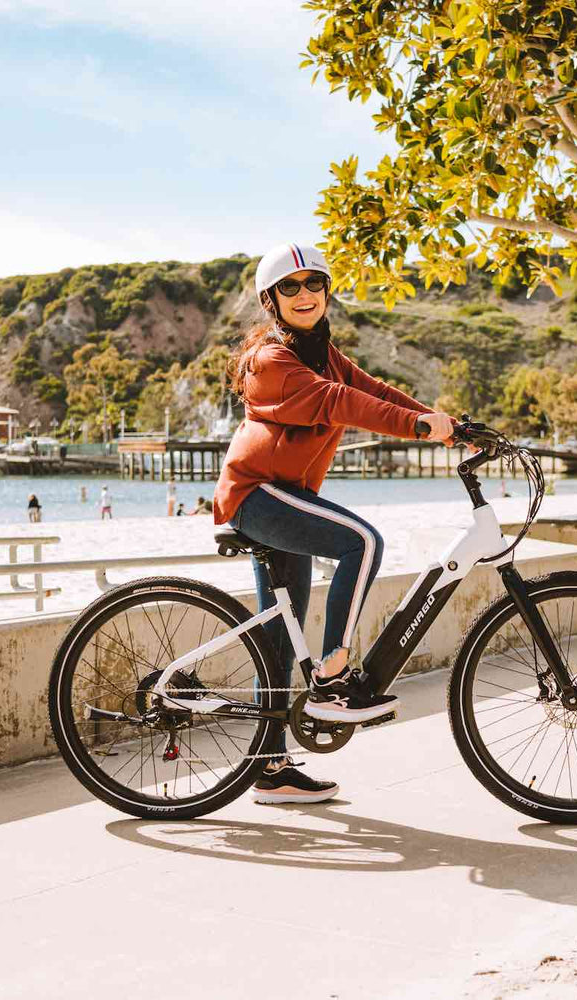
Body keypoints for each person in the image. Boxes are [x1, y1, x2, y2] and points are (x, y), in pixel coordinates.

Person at [213, 241, 454, 805]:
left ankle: (269, 770)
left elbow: (374, 391)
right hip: (257, 497)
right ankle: (332, 680)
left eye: (313, 284)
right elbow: (342, 403)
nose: (304, 294)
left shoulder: (323, 353)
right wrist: (420, 430)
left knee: (278, 631)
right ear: (270, 300)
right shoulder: (272, 362)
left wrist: (449, 423)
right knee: (362, 541)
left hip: (285, 496)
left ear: (326, 292)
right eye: (289, 287)